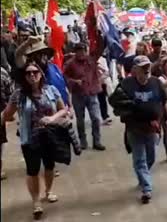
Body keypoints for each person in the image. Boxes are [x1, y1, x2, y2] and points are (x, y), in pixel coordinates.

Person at [1, 63, 69, 219]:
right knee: (32, 170)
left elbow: (64, 109)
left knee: (50, 166)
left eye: (35, 72)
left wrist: (52, 118)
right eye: (28, 73)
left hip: (50, 136)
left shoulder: (51, 90)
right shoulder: (18, 95)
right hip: (29, 138)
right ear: (24, 77)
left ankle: (49, 191)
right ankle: (36, 201)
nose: (32, 75)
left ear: (41, 74)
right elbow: (6, 114)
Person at [109, 55, 167, 204]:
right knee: (139, 159)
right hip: (134, 129)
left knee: (150, 157)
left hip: (152, 129)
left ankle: (143, 177)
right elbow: (114, 101)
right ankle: (147, 188)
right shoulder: (126, 84)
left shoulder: (156, 83)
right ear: (135, 70)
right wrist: (124, 110)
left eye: (148, 66)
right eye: (143, 67)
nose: (146, 70)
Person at [64, 42, 105, 150]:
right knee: (80, 120)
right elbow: (65, 77)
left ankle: (97, 141)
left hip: (92, 93)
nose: (81, 53)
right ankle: (83, 141)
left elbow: (100, 47)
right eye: (79, 51)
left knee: (96, 118)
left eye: (83, 50)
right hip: (78, 94)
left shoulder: (91, 60)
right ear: (75, 52)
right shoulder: (70, 63)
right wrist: (74, 81)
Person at [0, 66, 13, 180]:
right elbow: (9, 94)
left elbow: (9, 95)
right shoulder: (3, 72)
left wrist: (8, 112)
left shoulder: (3, 73)